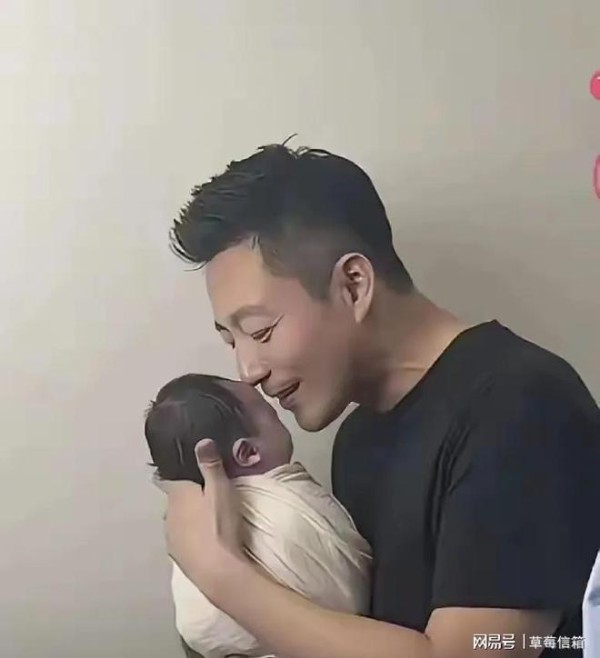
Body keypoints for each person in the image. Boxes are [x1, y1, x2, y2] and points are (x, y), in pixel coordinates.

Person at [159, 142, 600, 658]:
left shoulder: (522, 406)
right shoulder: (358, 439)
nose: (248, 370)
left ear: (353, 284)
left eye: (260, 331)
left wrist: (221, 575)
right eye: (231, 341)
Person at [145, 373, 370, 658]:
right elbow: (349, 595)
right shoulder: (288, 506)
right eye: (269, 413)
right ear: (249, 452)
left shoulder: (189, 525)